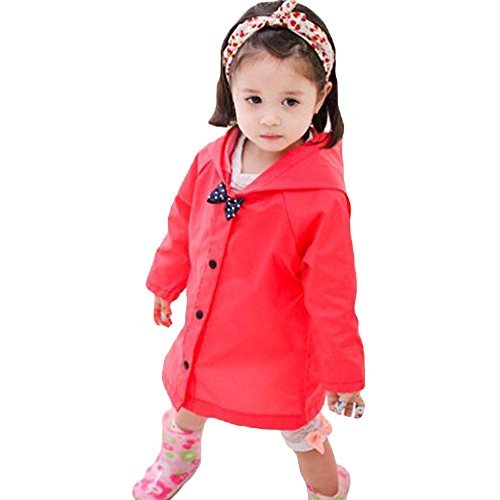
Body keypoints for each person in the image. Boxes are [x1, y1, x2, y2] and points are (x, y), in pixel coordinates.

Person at [132, 2, 366, 499]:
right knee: (187, 404)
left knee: (304, 435)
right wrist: (165, 281)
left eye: (290, 101)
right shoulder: (211, 160)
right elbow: (182, 223)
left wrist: (342, 372)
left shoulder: (320, 195)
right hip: (209, 333)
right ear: (231, 88)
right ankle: (179, 461)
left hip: (280, 349)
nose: (269, 118)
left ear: (321, 96)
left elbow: (333, 292)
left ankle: (329, 490)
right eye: (254, 99)